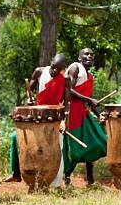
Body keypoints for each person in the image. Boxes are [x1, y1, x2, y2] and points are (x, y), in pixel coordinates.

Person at [5, 54, 71, 186]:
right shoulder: (39, 72)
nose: (54, 71)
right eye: (53, 67)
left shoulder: (65, 79)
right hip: (37, 117)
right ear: (51, 61)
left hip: (54, 118)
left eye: (58, 69)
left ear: (63, 69)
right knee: (15, 138)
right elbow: (30, 90)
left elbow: (66, 104)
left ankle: (56, 183)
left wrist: (64, 121)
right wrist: (29, 100)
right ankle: (17, 173)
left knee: (58, 146)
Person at [64, 48, 107, 186]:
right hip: (71, 112)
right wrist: (89, 100)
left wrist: (99, 114)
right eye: (86, 54)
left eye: (92, 55)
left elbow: (89, 100)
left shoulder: (90, 76)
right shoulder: (75, 68)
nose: (89, 56)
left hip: (84, 113)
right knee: (75, 148)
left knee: (97, 142)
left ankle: (90, 179)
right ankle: (67, 175)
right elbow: (68, 91)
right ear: (79, 57)